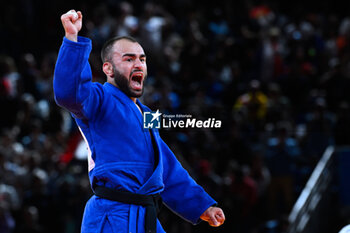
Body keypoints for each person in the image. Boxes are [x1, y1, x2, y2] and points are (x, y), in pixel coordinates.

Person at [53, 10, 225, 233]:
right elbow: (69, 93)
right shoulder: (99, 98)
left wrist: (202, 205)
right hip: (112, 216)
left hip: (145, 218)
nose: (139, 64)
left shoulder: (147, 115)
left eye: (142, 59)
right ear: (108, 69)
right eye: (129, 59)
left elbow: (166, 166)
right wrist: (72, 39)